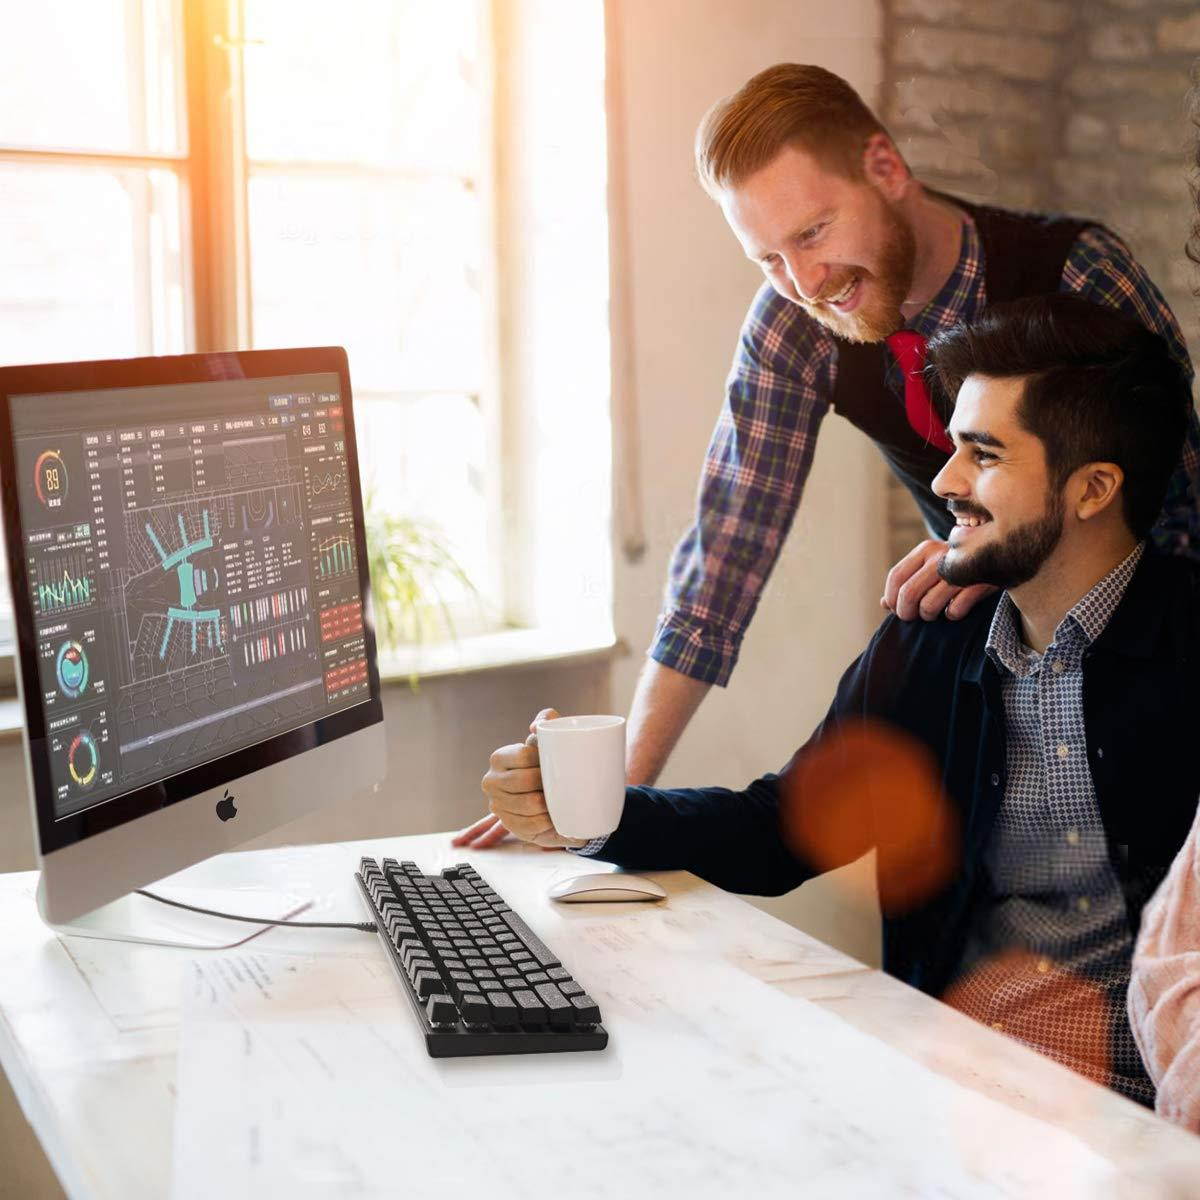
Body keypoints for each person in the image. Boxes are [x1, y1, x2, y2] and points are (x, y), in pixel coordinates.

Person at [455, 62, 1200, 850]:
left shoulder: (1077, 271)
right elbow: (722, 562)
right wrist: (601, 807)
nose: (806, 282)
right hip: (971, 668)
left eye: (812, 233)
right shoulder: (794, 323)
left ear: (886, 167)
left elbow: (1182, 506)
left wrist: (1011, 556)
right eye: (769, 259)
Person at [482, 294, 1200, 1106]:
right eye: (953, 447)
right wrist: (590, 813)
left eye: (984, 455)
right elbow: (778, 830)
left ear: (1093, 488)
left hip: (1139, 1114)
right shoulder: (931, 641)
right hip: (945, 1086)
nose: (945, 481)